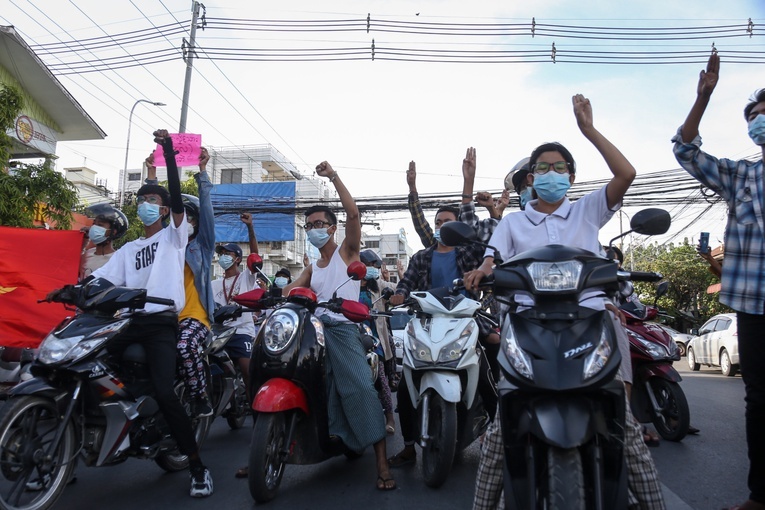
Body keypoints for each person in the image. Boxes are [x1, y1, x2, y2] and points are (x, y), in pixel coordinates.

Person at [464, 95, 664, 510]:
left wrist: (589, 131)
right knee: (503, 428)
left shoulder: (588, 210)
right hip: (528, 327)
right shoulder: (514, 221)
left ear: (571, 175)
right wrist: (481, 272)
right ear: (530, 177)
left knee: (623, 424)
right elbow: (491, 258)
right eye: (543, 168)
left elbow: (626, 173)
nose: (551, 173)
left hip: (590, 322)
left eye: (559, 167)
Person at [90, 129, 213, 497]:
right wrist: (70, 290)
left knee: (165, 391)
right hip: (129, 323)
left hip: (161, 325)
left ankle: (197, 467)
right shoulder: (128, 249)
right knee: (88, 365)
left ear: (164, 210)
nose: (145, 203)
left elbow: (176, 197)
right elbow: (99, 279)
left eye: (152, 200)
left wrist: (170, 156)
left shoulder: (174, 238)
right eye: (141, 199)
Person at [673, 52, 765, 510]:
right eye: (754, 117)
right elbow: (685, 150)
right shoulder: (743, 176)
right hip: (754, 306)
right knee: (760, 403)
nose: (759, 121)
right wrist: (702, 98)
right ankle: (760, 496)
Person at [283, 161, 395, 491]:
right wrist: (268, 295)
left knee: (360, 388)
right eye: (310, 225)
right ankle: (269, 450)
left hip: (344, 329)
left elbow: (355, 215)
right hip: (311, 332)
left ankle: (382, 461)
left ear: (332, 228)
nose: (315, 228)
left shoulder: (346, 252)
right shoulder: (312, 267)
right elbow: (290, 290)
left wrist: (333, 177)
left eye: (321, 223)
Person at [387, 187, 499, 468]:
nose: (441, 227)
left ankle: (499, 430)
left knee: (494, 349)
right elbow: (406, 283)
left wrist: (492, 211)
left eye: (448, 222)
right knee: (407, 379)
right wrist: (399, 294)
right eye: (438, 223)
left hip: (466, 319)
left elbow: (495, 245)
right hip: (426, 320)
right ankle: (409, 446)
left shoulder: (469, 253)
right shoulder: (422, 256)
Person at [145, 147, 215, 418]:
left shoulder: (203, 246)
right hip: (161, 316)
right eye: (179, 217)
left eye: (190, 217)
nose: (183, 222)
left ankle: (199, 397)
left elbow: (207, 211)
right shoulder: (164, 242)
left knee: (185, 347)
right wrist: (152, 174)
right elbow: (153, 207)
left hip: (194, 316)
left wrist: (203, 172)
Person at [358, 249, 397, 435]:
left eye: (375, 266)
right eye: (370, 265)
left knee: (380, 378)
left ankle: (389, 417)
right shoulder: (349, 284)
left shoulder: (378, 285)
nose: (373, 269)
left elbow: (397, 290)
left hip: (375, 340)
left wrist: (402, 280)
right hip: (353, 337)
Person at [79, 203, 129, 279]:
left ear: (113, 232)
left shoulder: (117, 259)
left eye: (100, 225)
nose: (94, 227)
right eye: (94, 224)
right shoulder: (87, 254)